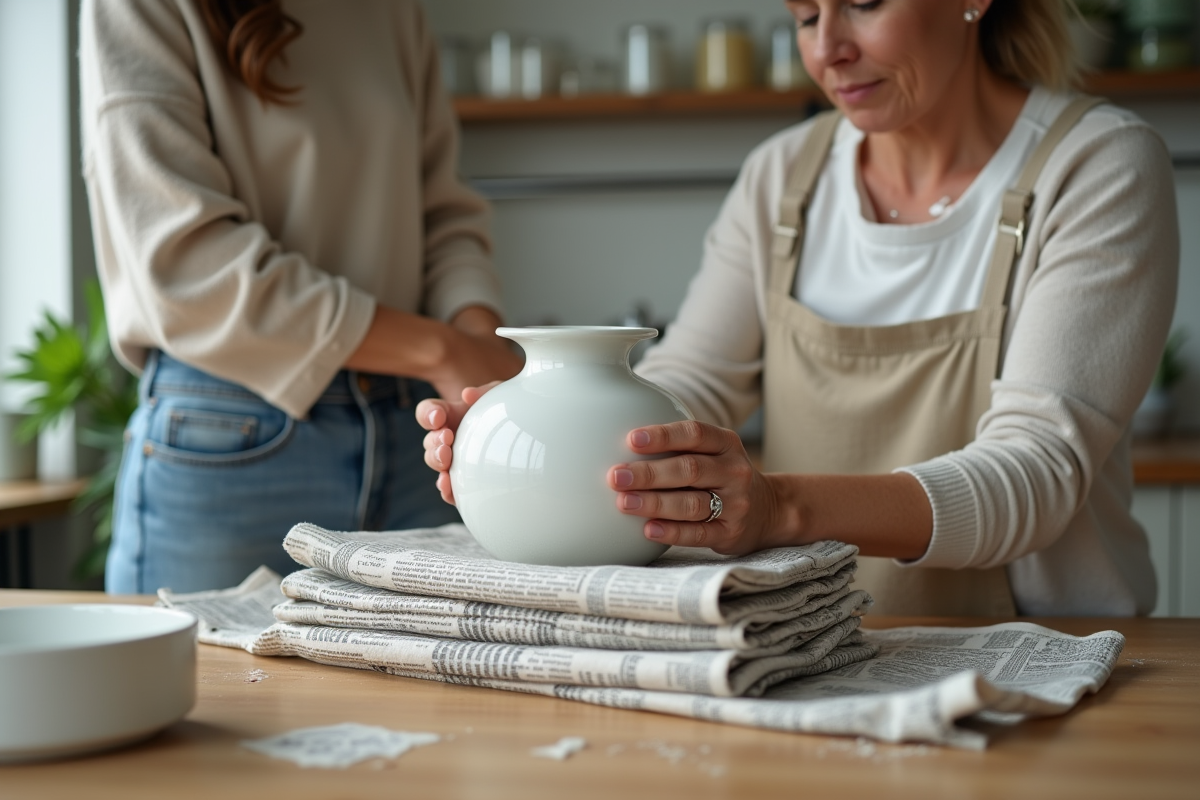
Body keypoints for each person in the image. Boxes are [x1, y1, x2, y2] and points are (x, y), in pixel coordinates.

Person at [419, 0, 1180, 617]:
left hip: (1054, 653)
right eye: (806, 15)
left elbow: (1036, 472)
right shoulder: (783, 175)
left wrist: (779, 506)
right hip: (820, 645)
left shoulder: (1095, 166)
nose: (828, 52)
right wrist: (536, 429)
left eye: (862, 4)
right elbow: (693, 383)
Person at [79, 0, 521, 593]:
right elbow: (184, 261)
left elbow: (441, 211)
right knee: (201, 687)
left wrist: (477, 344)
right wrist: (444, 352)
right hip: (231, 432)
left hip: (420, 430)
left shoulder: (392, 12)